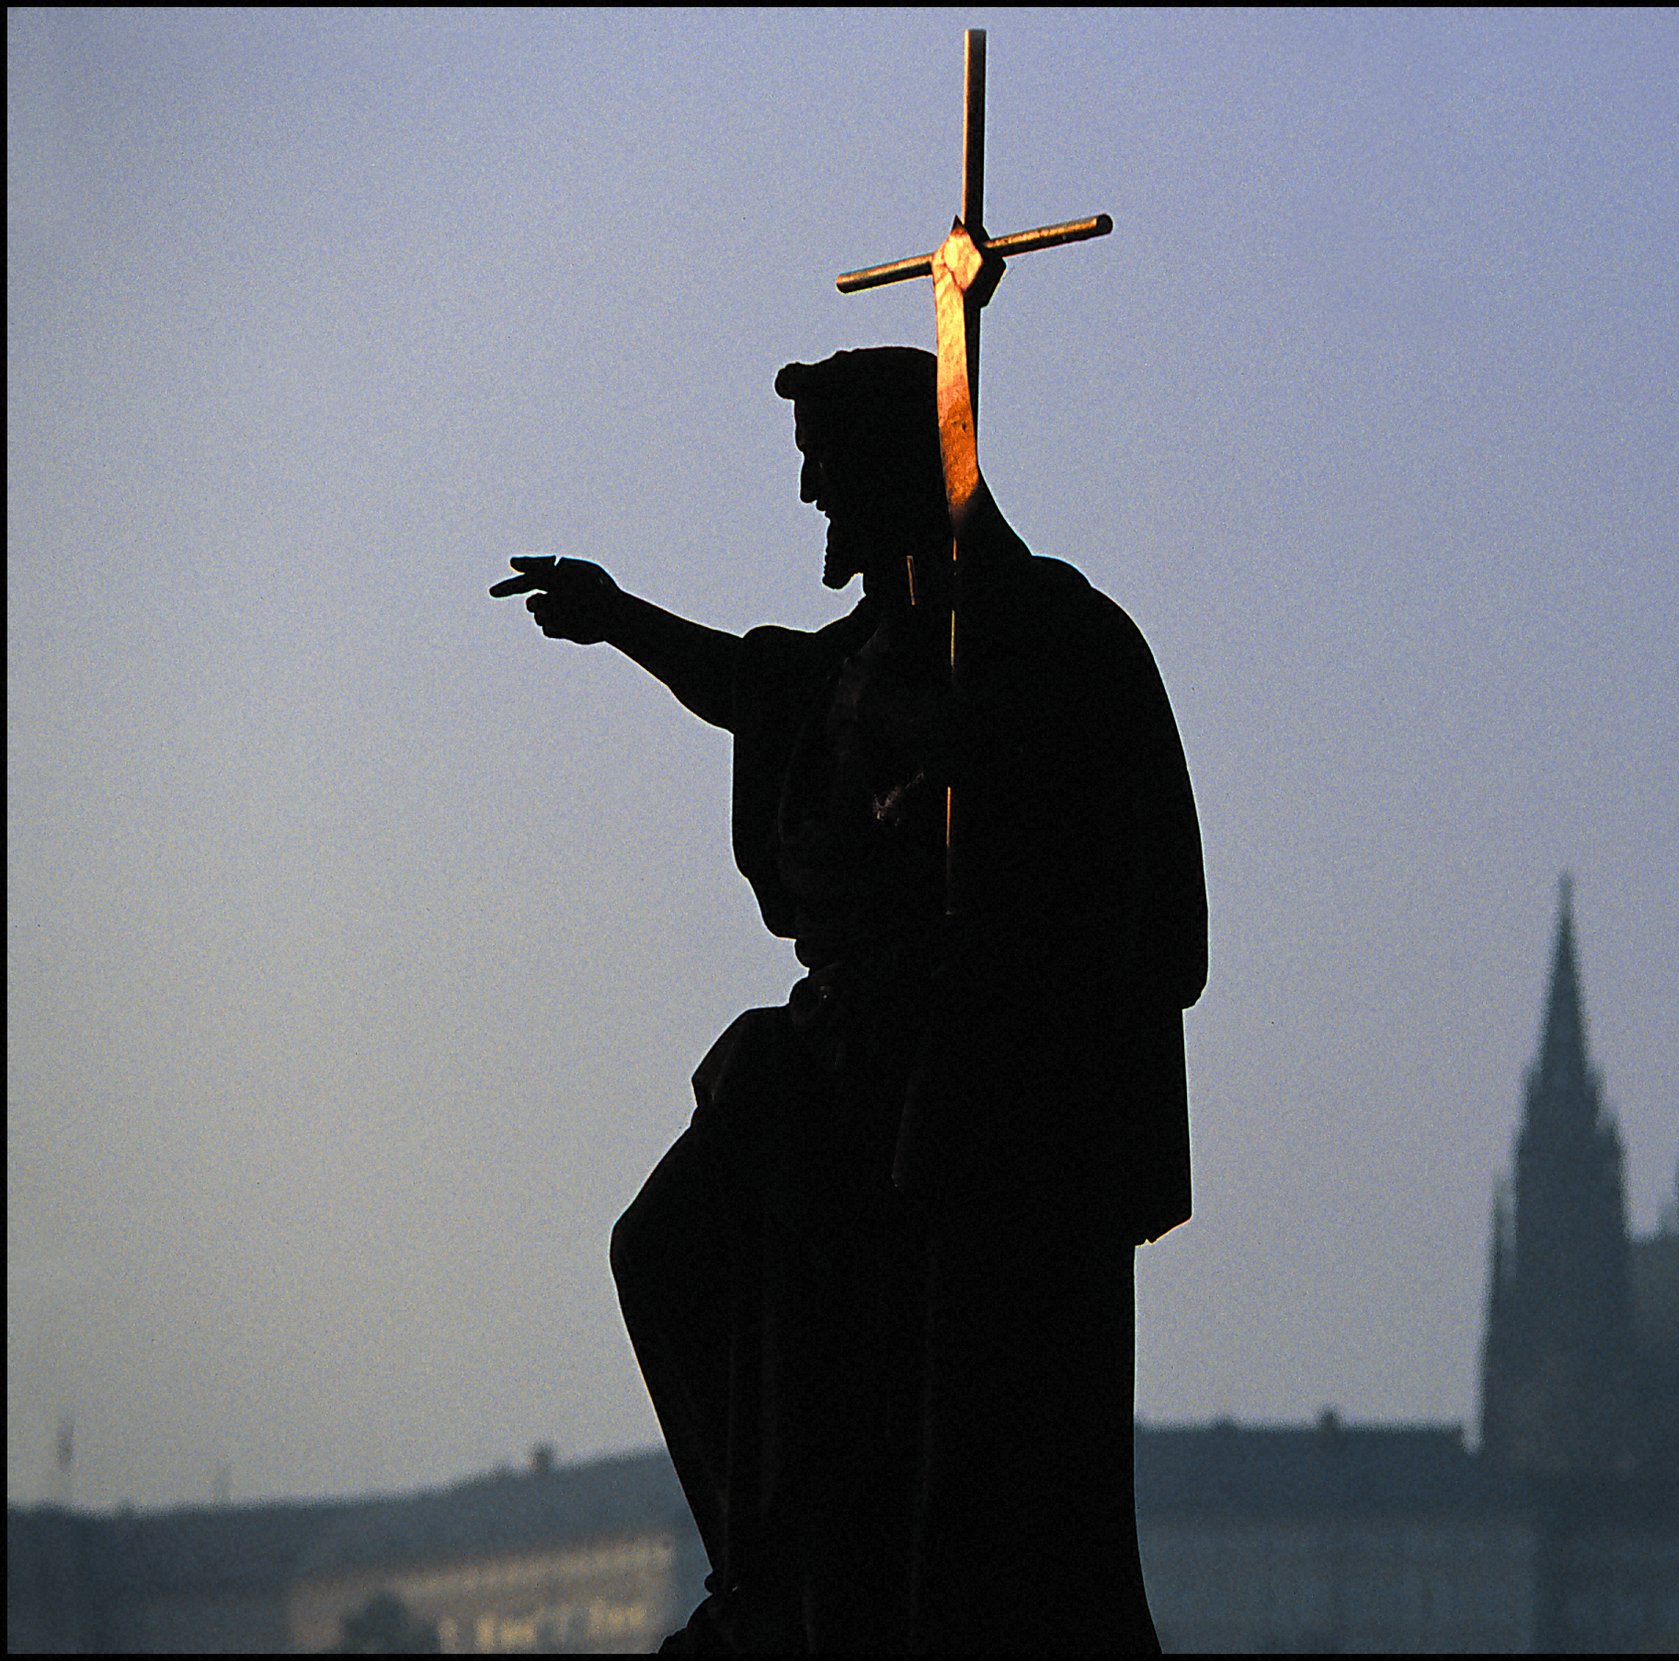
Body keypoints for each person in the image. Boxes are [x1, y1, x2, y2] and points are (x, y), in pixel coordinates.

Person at [491, 346, 1206, 1652]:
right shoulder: (862, 658)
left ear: (900, 477)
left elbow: (1126, 899)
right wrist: (618, 617)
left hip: (974, 1106)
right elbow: (754, 687)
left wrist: (965, 780)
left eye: (832, 482)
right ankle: (764, 1570)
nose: (817, 510)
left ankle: (816, 1573)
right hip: (835, 1070)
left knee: (932, 1439)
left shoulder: (1050, 634)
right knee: (667, 1245)